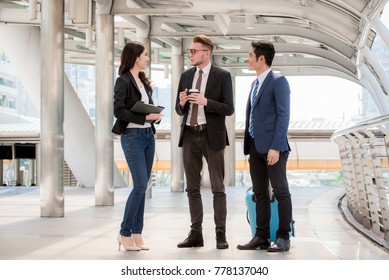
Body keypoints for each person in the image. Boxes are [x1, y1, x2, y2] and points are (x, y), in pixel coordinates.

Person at [175, 35, 234, 249]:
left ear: (206, 53)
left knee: (218, 187)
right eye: (189, 51)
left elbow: (229, 108)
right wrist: (182, 104)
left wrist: (205, 102)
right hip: (190, 134)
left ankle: (220, 235)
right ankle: (196, 234)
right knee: (192, 188)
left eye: (193, 51)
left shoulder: (222, 76)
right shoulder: (185, 75)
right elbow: (178, 109)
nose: (189, 54)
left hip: (212, 135)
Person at [237, 40, 293, 252]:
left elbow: (283, 115)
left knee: (280, 191)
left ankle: (283, 237)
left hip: (273, 148)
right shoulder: (254, 84)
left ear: (261, 58)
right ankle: (260, 236)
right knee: (260, 192)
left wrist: (276, 147)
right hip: (255, 147)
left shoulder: (278, 81)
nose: (247, 58)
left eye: (250, 55)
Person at [112, 42, 163, 251]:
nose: (148, 58)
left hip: (148, 136)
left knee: (143, 187)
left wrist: (155, 118)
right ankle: (124, 233)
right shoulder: (122, 81)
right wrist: (145, 117)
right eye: (145, 55)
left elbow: (144, 108)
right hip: (132, 136)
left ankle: (136, 233)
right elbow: (119, 111)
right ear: (135, 58)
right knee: (140, 185)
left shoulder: (142, 80)